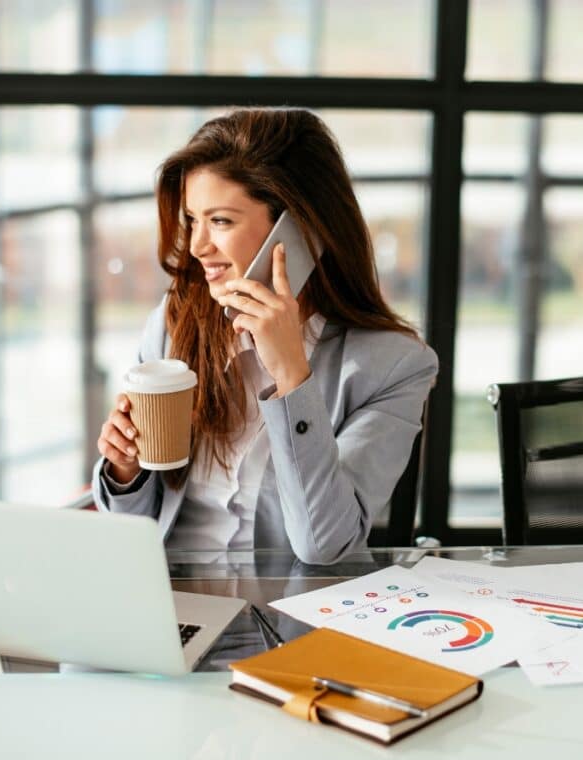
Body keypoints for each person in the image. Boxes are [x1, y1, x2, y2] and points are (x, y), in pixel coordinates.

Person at [92, 108, 437, 565]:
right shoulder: (174, 325)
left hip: (291, 618)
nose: (196, 246)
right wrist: (125, 470)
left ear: (299, 230)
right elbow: (132, 529)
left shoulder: (393, 366)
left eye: (220, 221)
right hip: (172, 606)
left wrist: (292, 377)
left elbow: (324, 545)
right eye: (192, 219)